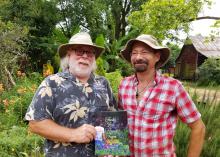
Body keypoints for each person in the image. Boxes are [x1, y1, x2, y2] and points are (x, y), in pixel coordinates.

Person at [25, 32, 117, 157]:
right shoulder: (52, 83)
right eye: (79, 51)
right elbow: (35, 124)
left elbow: (112, 120)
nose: (85, 56)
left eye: (90, 53)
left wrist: (111, 149)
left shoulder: (103, 83)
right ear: (68, 55)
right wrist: (74, 134)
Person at [118, 34, 205, 157]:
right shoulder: (124, 85)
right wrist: (113, 150)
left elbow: (198, 127)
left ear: (157, 56)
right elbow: (118, 123)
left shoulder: (173, 87)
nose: (138, 57)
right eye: (134, 53)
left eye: (144, 52)